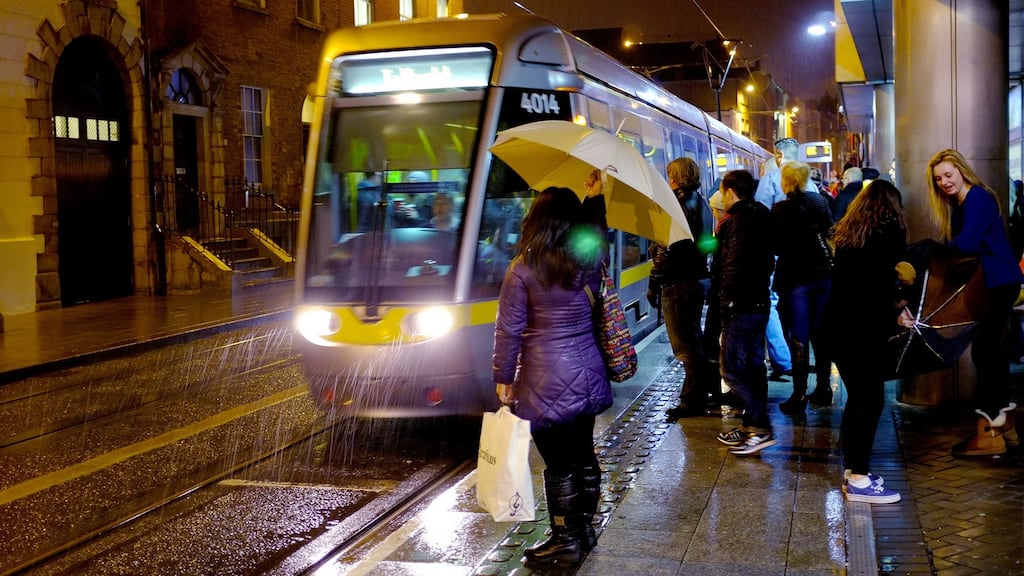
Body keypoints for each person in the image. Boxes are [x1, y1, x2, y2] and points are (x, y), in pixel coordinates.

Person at [493, 178, 609, 568]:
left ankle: (565, 540)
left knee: (558, 463)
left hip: (545, 377)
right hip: (588, 370)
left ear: (536, 219)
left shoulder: (522, 268)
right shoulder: (587, 259)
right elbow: (596, 234)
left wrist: (503, 377)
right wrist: (595, 199)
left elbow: (508, 330)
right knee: (583, 454)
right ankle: (584, 530)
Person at [925, 149, 1021, 456]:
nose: (944, 182)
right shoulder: (963, 201)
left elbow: (968, 243)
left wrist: (933, 252)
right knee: (991, 352)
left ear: (962, 172)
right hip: (994, 282)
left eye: (948, 175)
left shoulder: (977, 198)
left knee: (987, 352)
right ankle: (1002, 422)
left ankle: (990, 427)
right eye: (938, 178)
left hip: (995, 282)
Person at [826, 179, 909, 503]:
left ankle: (853, 471)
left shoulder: (850, 234)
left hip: (839, 328)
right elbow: (878, 287)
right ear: (891, 207)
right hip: (863, 331)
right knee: (870, 401)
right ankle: (859, 478)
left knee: (858, 399)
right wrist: (898, 307)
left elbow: (857, 283)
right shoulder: (888, 233)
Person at [712, 170, 777, 454]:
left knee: (732, 369)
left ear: (729, 192)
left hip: (740, 305)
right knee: (752, 366)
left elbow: (733, 267)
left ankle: (760, 427)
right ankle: (751, 425)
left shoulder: (737, 221)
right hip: (758, 302)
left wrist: (725, 302)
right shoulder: (761, 214)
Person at [647, 157, 717, 420]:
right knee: (693, 338)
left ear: (674, 178)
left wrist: (654, 282)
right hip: (696, 277)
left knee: (685, 345)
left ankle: (692, 400)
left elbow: (667, 249)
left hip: (678, 282)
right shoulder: (701, 202)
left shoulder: (676, 205)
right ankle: (704, 390)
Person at [770, 161, 833, 415]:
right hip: (822, 275)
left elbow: (775, 246)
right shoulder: (819, 202)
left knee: (799, 336)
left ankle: (798, 394)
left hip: (796, 279)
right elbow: (830, 231)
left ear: (785, 181)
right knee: (821, 333)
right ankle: (824, 387)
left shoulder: (780, 209)